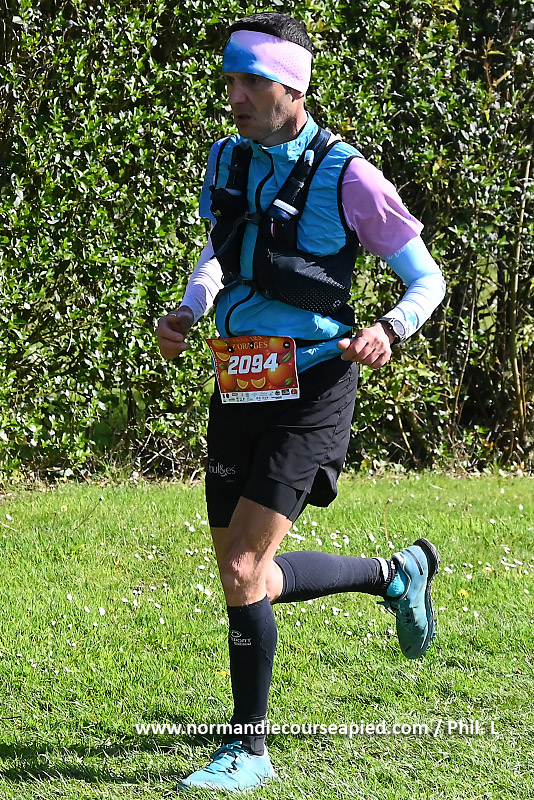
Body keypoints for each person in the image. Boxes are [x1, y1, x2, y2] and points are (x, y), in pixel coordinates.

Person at [157, 12, 446, 793]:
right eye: (230, 81)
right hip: (241, 379)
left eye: (251, 82)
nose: (235, 97)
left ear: (293, 88)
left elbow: (426, 279)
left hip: (314, 384)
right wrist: (190, 308)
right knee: (243, 575)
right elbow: (222, 250)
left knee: (244, 565)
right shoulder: (227, 157)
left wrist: (390, 328)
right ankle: (395, 574)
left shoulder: (349, 176)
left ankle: (248, 749)